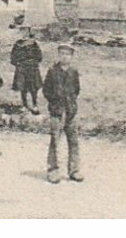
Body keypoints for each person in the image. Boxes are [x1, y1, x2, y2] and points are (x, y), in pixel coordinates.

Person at [43, 43, 84, 183]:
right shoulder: (52, 71)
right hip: (57, 110)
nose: (64, 57)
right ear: (58, 55)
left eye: (67, 54)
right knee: (55, 140)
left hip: (71, 110)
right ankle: (53, 170)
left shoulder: (73, 72)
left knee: (73, 140)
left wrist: (71, 103)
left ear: (71, 57)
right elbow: (46, 90)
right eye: (62, 54)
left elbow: (76, 90)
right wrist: (55, 102)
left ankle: (74, 170)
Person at [10, 28, 45, 113]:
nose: (24, 34)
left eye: (26, 32)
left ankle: (34, 104)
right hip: (21, 68)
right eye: (22, 32)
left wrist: (34, 62)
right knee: (23, 87)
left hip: (32, 68)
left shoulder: (34, 44)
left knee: (33, 87)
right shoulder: (17, 45)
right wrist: (17, 63)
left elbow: (39, 56)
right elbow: (13, 57)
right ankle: (24, 104)